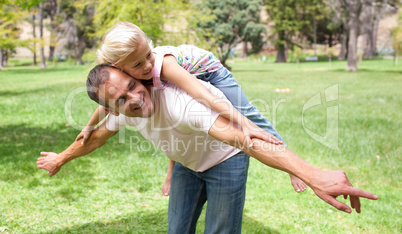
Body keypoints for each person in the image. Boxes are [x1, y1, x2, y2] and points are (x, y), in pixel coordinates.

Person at [37, 65, 378, 233]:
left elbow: (242, 138)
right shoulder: (123, 116)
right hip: (188, 165)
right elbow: (96, 137)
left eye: (133, 86)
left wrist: (312, 174)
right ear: (111, 109)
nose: (136, 97)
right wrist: (62, 158)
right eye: (122, 100)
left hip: (225, 161)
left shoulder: (179, 103)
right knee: (178, 229)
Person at [75, 22, 307, 195]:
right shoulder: (126, 79)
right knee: (175, 123)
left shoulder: (161, 65)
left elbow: (201, 93)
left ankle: (289, 163)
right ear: (120, 69)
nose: (147, 65)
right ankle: (173, 173)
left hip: (211, 73)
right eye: (138, 64)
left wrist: (245, 123)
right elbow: (111, 101)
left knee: (248, 114)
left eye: (148, 55)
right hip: (189, 83)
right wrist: (88, 126)